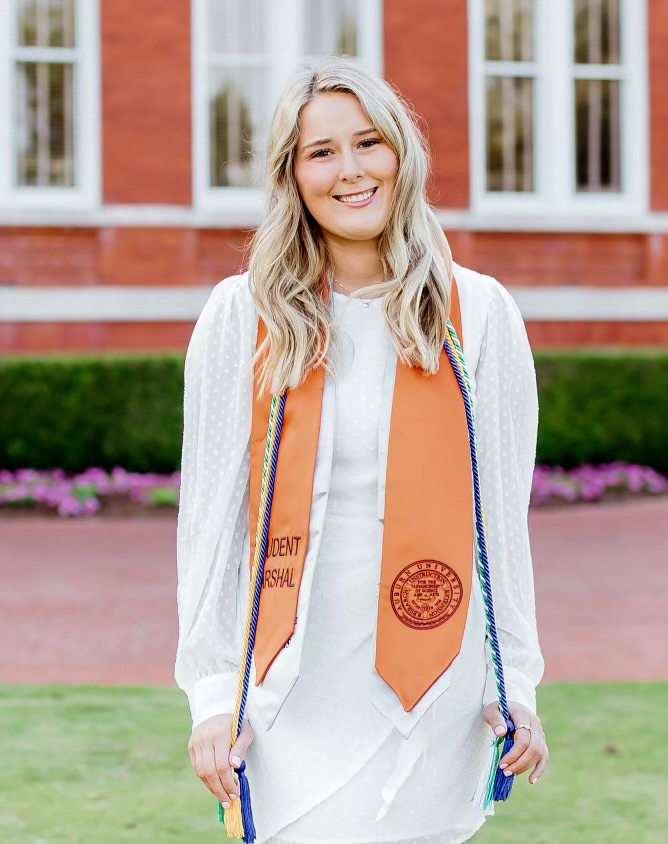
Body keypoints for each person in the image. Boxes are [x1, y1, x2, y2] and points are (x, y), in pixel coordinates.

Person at [175, 55, 548, 844]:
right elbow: (210, 527)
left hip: (435, 670)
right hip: (291, 679)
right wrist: (213, 692)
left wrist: (515, 680)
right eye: (322, 152)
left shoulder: (476, 314)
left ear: (401, 155)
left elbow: (501, 521)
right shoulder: (244, 318)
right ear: (292, 176)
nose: (351, 171)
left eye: (369, 143)